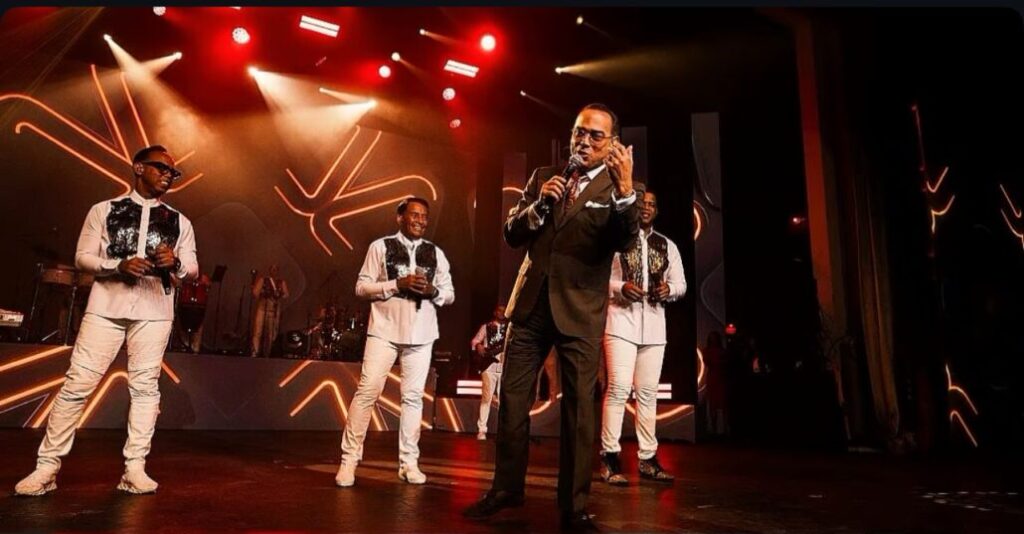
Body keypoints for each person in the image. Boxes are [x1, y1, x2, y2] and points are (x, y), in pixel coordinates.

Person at [464, 103, 639, 529]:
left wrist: (625, 191)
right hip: (530, 308)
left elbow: (625, 240)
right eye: (580, 131)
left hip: (580, 312)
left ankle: (573, 507)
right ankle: (506, 488)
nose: (584, 141)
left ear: (613, 144)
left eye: (596, 135)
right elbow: (511, 233)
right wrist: (539, 206)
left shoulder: (619, 189)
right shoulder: (544, 176)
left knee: (579, 414)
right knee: (512, 403)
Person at [14, 145, 198, 496]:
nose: (168, 176)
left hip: (155, 310)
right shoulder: (104, 209)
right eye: (161, 168)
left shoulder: (180, 221)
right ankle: (46, 468)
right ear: (138, 167)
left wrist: (175, 263)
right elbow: (82, 257)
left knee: (145, 388)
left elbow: (192, 268)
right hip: (106, 307)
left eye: (173, 173)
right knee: (77, 385)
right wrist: (116, 265)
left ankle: (134, 469)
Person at [335, 197, 454, 487]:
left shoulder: (435, 253)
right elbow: (361, 287)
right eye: (414, 215)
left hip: (421, 334)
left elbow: (449, 294)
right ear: (400, 217)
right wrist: (395, 284)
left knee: (413, 398)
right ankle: (349, 460)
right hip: (384, 331)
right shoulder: (380, 247)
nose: (420, 220)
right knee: (368, 391)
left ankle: (409, 463)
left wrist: (433, 291)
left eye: (424, 216)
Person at [599, 188, 686, 486]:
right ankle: (610, 458)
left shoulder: (667, 245)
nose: (646, 207)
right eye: (642, 203)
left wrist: (669, 290)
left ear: (656, 211)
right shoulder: (618, 241)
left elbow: (681, 284)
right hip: (621, 325)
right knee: (618, 389)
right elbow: (600, 279)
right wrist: (620, 288)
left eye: (651, 204)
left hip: (654, 328)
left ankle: (648, 458)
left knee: (648, 394)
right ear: (634, 209)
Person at [470, 304, 509, 440]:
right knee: (486, 398)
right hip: (489, 366)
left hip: (505, 367)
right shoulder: (486, 327)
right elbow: (475, 341)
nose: (502, 313)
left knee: (504, 400)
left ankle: (504, 430)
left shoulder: (510, 329)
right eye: (499, 310)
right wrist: (478, 345)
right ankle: (482, 430)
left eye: (504, 311)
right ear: (495, 312)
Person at [251, 264, 289, 357]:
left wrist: (279, 294)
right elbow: (255, 293)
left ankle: (267, 353)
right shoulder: (263, 280)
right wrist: (263, 293)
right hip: (262, 309)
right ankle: (255, 351)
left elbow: (286, 294)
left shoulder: (281, 282)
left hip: (273, 310)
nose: (274, 271)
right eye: (272, 269)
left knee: (271, 334)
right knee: (258, 331)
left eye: (276, 269)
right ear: (270, 270)